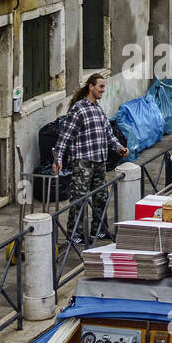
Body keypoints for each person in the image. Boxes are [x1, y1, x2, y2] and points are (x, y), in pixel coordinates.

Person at [53, 74, 128, 241]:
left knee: (101, 196)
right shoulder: (78, 109)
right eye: (100, 86)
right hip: (83, 161)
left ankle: (99, 230)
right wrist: (57, 159)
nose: (103, 90)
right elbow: (65, 137)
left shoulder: (98, 109)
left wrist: (119, 148)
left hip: (99, 160)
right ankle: (75, 234)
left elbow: (108, 135)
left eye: (103, 86)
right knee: (79, 198)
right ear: (91, 87)